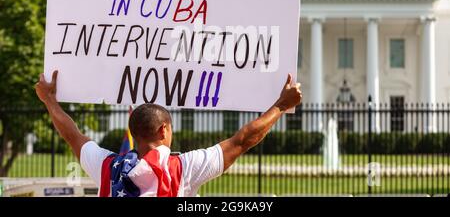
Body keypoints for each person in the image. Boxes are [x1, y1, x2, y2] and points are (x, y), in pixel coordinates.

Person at [35, 70, 302, 197]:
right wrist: (281, 105)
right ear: (164, 130)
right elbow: (243, 140)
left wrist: (49, 100)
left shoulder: (107, 167)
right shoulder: (184, 169)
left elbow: (73, 135)